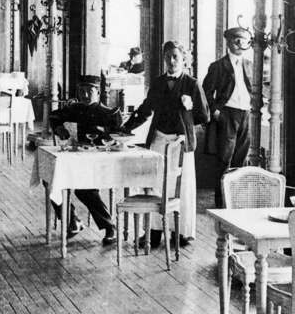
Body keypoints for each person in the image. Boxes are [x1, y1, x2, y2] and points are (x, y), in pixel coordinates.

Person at [121, 40, 208, 247]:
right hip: (159, 140)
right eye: (167, 57)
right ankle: (153, 232)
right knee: (155, 185)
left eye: (175, 57)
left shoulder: (192, 84)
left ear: (183, 59)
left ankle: (180, 232)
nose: (171, 61)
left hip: (181, 143)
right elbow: (145, 110)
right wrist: (125, 127)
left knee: (180, 188)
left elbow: (204, 116)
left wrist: (188, 110)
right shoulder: (159, 83)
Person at [48, 74, 121, 246]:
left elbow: (119, 136)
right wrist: (59, 127)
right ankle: (72, 221)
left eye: (89, 91)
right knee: (52, 181)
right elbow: (54, 116)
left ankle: (110, 227)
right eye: (81, 91)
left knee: (84, 190)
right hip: (77, 159)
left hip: (100, 162)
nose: (85, 95)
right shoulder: (75, 109)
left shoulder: (108, 113)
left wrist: (110, 140)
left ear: (98, 92)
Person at [202, 26, 254, 206]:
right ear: (229, 42)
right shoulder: (218, 66)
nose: (240, 44)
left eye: (244, 41)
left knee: (241, 158)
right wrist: (216, 113)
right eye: (236, 40)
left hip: (246, 114)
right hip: (227, 115)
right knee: (224, 160)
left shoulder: (250, 65)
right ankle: (222, 203)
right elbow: (205, 93)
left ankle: (236, 201)